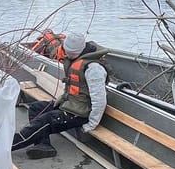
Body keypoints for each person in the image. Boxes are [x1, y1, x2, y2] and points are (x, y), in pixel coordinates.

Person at [12, 31, 108, 159]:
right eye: (67, 51)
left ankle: (10, 144)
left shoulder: (93, 69)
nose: (68, 55)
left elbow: (99, 99)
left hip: (79, 114)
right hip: (69, 105)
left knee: (46, 120)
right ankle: (43, 145)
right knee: (36, 108)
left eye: (72, 53)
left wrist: (91, 124)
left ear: (80, 50)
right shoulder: (75, 59)